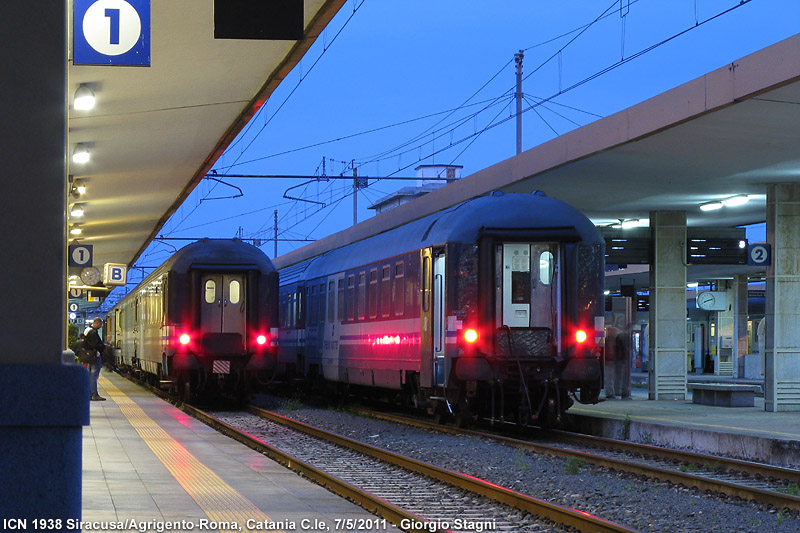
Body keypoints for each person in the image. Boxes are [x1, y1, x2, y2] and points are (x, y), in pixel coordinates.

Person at [84, 317, 106, 401]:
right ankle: (94, 394)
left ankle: (89, 394)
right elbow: (95, 344)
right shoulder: (93, 332)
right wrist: (102, 347)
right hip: (94, 356)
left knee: (90, 375)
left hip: (89, 355)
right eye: (100, 324)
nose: (101, 326)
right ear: (97, 323)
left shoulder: (87, 330)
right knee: (94, 375)